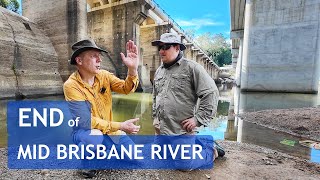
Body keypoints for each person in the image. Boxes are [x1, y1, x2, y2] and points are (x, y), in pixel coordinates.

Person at [63, 39, 140, 177]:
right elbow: (86, 121)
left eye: (99, 56)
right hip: (86, 132)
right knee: (94, 137)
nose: (99, 60)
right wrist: (121, 126)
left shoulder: (104, 75)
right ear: (79, 61)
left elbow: (126, 88)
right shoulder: (71, 85)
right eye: (93, 56)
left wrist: (132, 69)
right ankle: (87, 161)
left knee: (135, 156)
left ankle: (104, 152)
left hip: (110, 131)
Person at [151, 33, 223, 169]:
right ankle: (195, 143)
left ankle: (211, 150)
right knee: (159, 156)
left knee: (183, 165)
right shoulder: (159, 71)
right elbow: (155, 96)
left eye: (165, 47)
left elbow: (211, 93)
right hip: (161, 129)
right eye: (160, 47)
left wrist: (198, 119)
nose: (161, 51)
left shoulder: (192, 68)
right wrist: (155, 117)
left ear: (177, 48)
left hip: (181, 130)